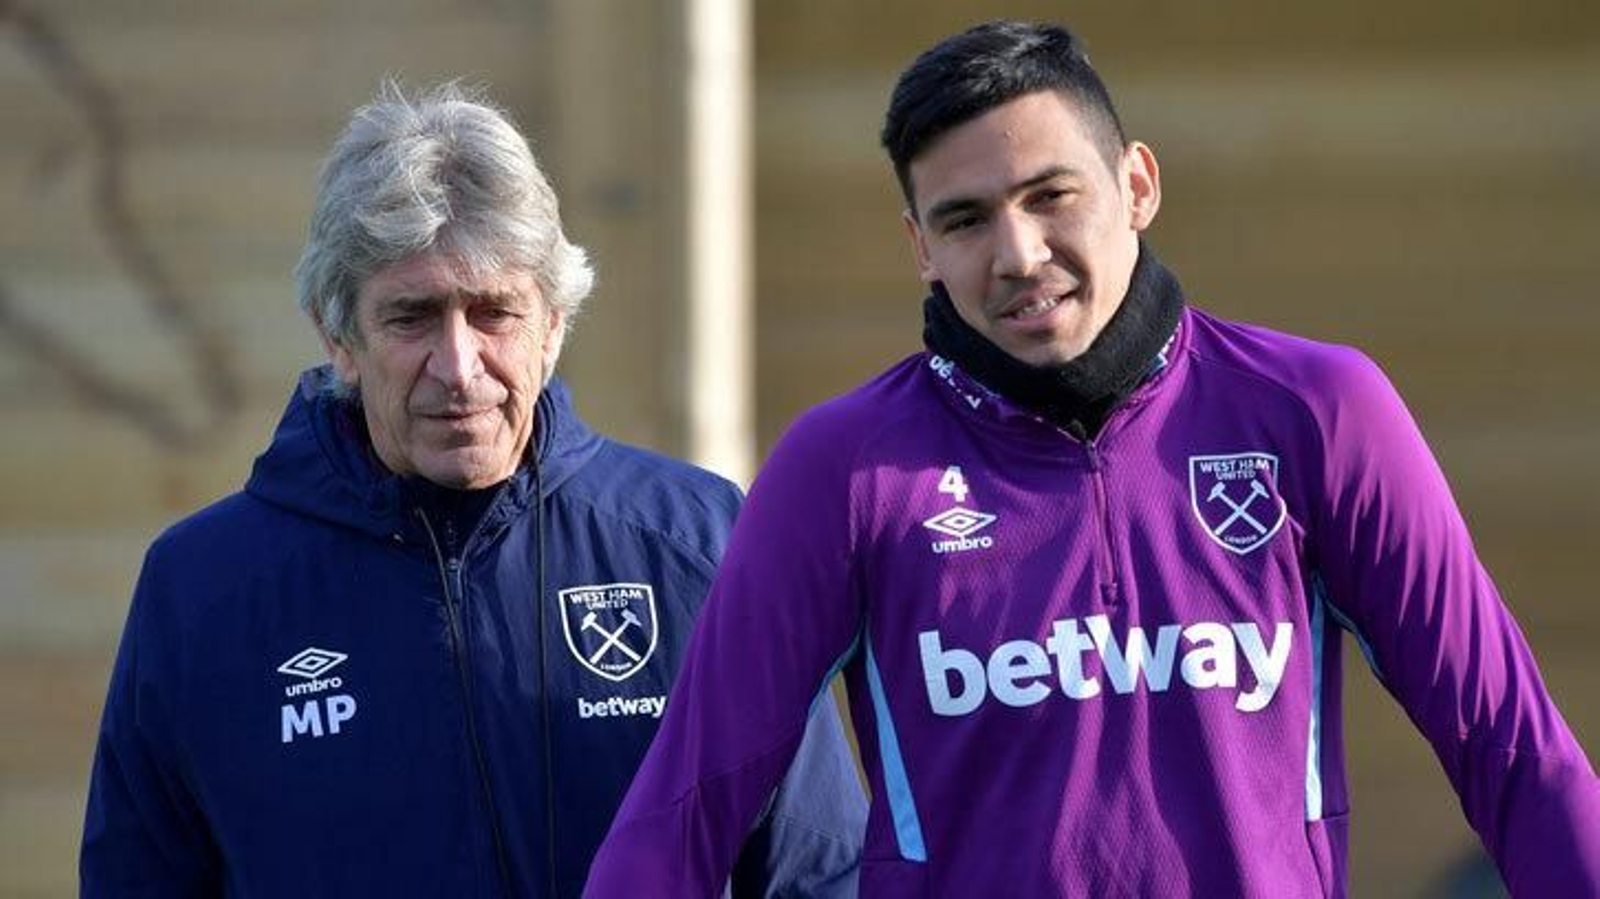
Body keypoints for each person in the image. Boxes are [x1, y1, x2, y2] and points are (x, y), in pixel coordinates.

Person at [586, 21, 1599, 898]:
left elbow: (1510, 746)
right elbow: (683, 806)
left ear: (1137, 183)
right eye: (965, 218)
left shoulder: (1315, 411)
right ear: (919, 247)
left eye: (1049, 195)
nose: (1017, 254)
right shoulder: (844, 468)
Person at [80, 82, 864, 897]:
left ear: (553, 324)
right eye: (411, 317)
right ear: (338, 336)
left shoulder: (699, 542)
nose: (458, 367)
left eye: (494, 313)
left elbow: (821, 870)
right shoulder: (202, 588)